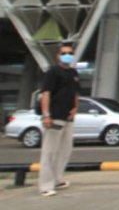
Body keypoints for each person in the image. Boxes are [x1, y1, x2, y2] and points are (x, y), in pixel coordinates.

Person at [38, 43, 80, 197]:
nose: (66, 55)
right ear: (58, 55)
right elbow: (46, 94)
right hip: (55, 116)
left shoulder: (74, 73)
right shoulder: (53, 72)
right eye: (64, 53)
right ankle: (45, 185)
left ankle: (57, 179)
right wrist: (46, 115)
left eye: (69, 53)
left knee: (64, 151)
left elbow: (75, 93)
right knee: (49, 152)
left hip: (68, 117)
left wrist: (76, 107)